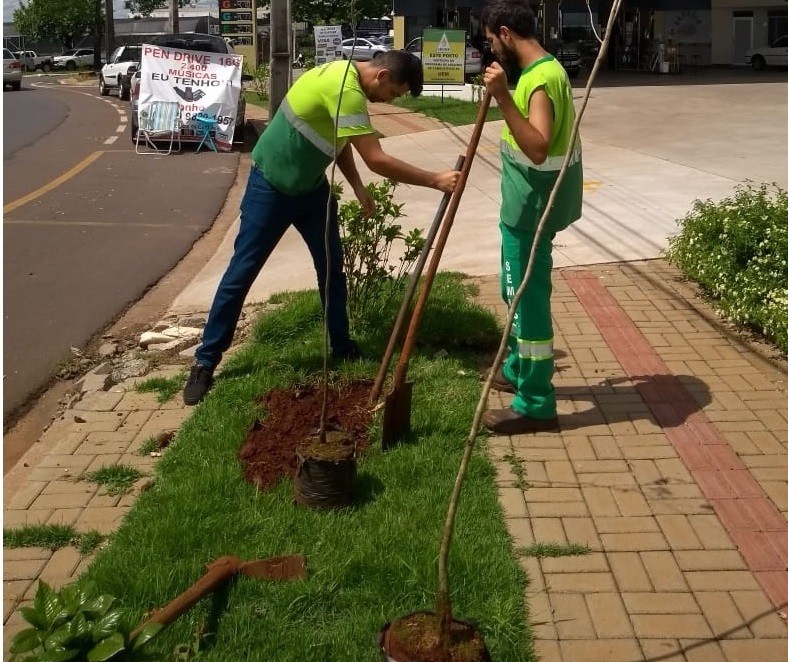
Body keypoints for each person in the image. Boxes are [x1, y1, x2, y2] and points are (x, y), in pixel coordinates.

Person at [183, 51, 460, 405]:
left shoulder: (344, 76)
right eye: (394, 93)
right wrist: (435, 179)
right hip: (271, 188)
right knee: (242, 273)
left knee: (331, 269)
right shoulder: (345, 90)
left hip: (311, 189)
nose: (389, 100)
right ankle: (205, 363)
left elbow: (338, 137)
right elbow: (376, 158)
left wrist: (358, 189)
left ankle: (342, 347)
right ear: (383, 75)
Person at [479, 0, 583, 434]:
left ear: (506, 33)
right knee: (516, 292)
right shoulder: (544, 71)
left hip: (531, 212)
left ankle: (536, 402)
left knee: (526, 300)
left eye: (490, 41)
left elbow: (538, 145)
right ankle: (517, 366)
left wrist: (503, 97)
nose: (489, 51)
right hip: (527, 207)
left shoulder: (539, 79)